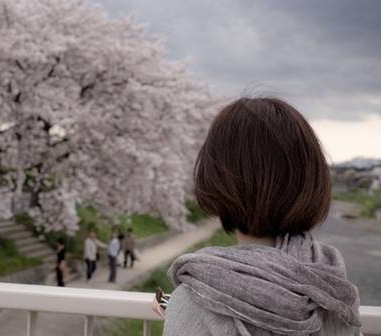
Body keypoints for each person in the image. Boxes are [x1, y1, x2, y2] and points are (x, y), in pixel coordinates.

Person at [155, 97, 362, 336]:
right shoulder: (333, 287)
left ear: (216, 181)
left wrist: (181, 314)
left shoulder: (195, 298)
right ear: (312, 180)